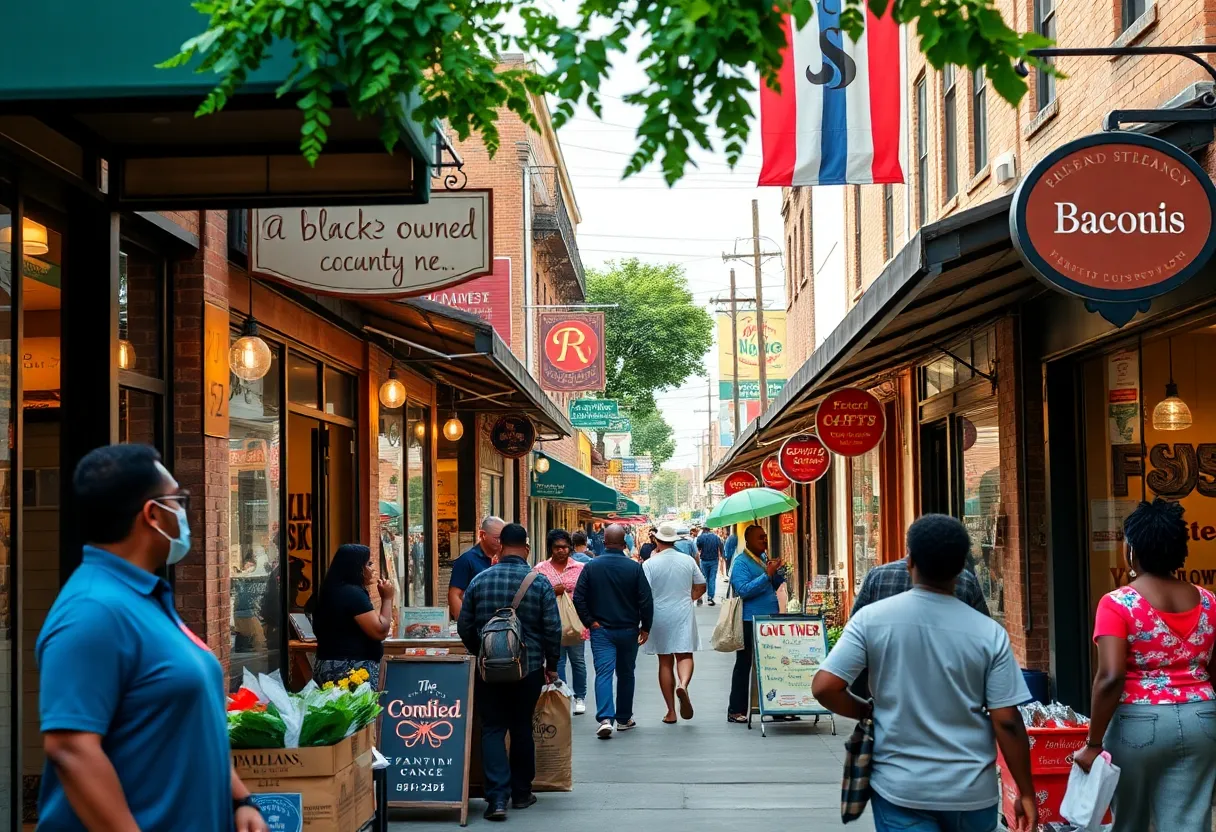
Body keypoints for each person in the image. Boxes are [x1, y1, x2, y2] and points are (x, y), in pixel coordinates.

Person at [36, 444, 268, 832]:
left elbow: (189, 722)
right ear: (153, 514)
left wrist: (239, 799)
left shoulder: (145, 598)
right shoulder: (92, 610)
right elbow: (71, 749)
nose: (184, 512)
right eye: (179, 500)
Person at [811, 515, 1037, 832]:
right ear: (962, 568)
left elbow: (824, 687)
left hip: (901, 788)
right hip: (971, 791)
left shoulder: (872, 620)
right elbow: (1007, 721)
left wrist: (866, 709)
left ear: (910, 562)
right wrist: (1026, 791)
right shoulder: (990, 634)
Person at [1073, 498, 1216, 832]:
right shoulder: (1209, 601)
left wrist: (1093, 744)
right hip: (1204, 718)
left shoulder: (1117, 603)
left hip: (1139, 724)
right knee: (1189, 822)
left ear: (1131, 550)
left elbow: (1110, 677)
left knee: (1130, 822)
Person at [457, 523, 561, 822]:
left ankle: (496, 799)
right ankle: (521, 792)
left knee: (492, 728)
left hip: (489, 670)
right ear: (526, 548)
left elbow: (464, 624)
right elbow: (552, 628)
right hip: (527, 668)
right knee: (520, 727)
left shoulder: (480, 580)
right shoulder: (539, 583)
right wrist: (551, 665)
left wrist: (483, 652)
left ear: (500, 545)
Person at [573, 523, 654, 738]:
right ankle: (624, 717)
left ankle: (605, 718)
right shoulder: (634, 568)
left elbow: (578, 597)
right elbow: (646, 600)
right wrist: (645, 627)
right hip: (628, 629)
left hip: (602, 630)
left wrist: (590, 621)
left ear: (605, 541)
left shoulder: (591, 566)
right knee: (626, 673)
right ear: (623, 542)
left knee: (604, 673)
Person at [643, 522, 706, 723]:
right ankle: (683, 684)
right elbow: (702, 585)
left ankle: (670, 711)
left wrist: (642, 621)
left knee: (664, 661)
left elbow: (643, 593)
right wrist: (691, 597)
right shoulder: (687, 560)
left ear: (657, 540)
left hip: (658, 613)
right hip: (682, 610)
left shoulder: (649, 564)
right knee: (685, 653)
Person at [312, 543, 395, 689]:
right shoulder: (352, 593)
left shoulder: (330, 590)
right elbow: (379, 631)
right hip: (349, 670)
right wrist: (387, 598)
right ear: (356, 567)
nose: (373, 568)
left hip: (329, 664)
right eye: (368, 563)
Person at [726, 524, 784, 723]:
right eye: (760, 538)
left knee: (772, 664)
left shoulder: (763, 559)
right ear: (748, 540)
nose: (765, 541)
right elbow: (743, 590)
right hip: (750, 620)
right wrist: (765, 575)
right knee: (744, 664)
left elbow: (773, 585)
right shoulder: (741, 562)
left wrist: (776, 573)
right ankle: (736, 709)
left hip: (769, 620)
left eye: (765, 537)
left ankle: (776, 707)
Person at [535, 529, 589, 716]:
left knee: (578, 661)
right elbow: (535, 594)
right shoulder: (540, 569)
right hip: (550, 623)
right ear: (551, 548)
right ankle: (562, 695)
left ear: (570, 548)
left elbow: (587, 594)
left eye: (565, 547)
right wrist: (553, 591)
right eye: (557, 547)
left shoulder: (580, 568)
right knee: (556, 661)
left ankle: (580, 697)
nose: (561, 551)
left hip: (575, 623)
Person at [448, 515, 504, 619]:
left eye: (503, 538)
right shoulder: (467, 560)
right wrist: (463, 624)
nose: (501, 543)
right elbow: (454, 595)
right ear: (482, 535)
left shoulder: (503, 559)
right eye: (497, 538)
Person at [694, 527, 723, 607]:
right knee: (712, 579)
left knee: (704, 578)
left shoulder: (700, 538)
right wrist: (722, 557)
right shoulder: (716, 537)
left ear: (703, 530)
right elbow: (720, 547)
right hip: (714, 560)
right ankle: (710, 597)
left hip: (704, 560)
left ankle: (701, 597)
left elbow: (698, 548)